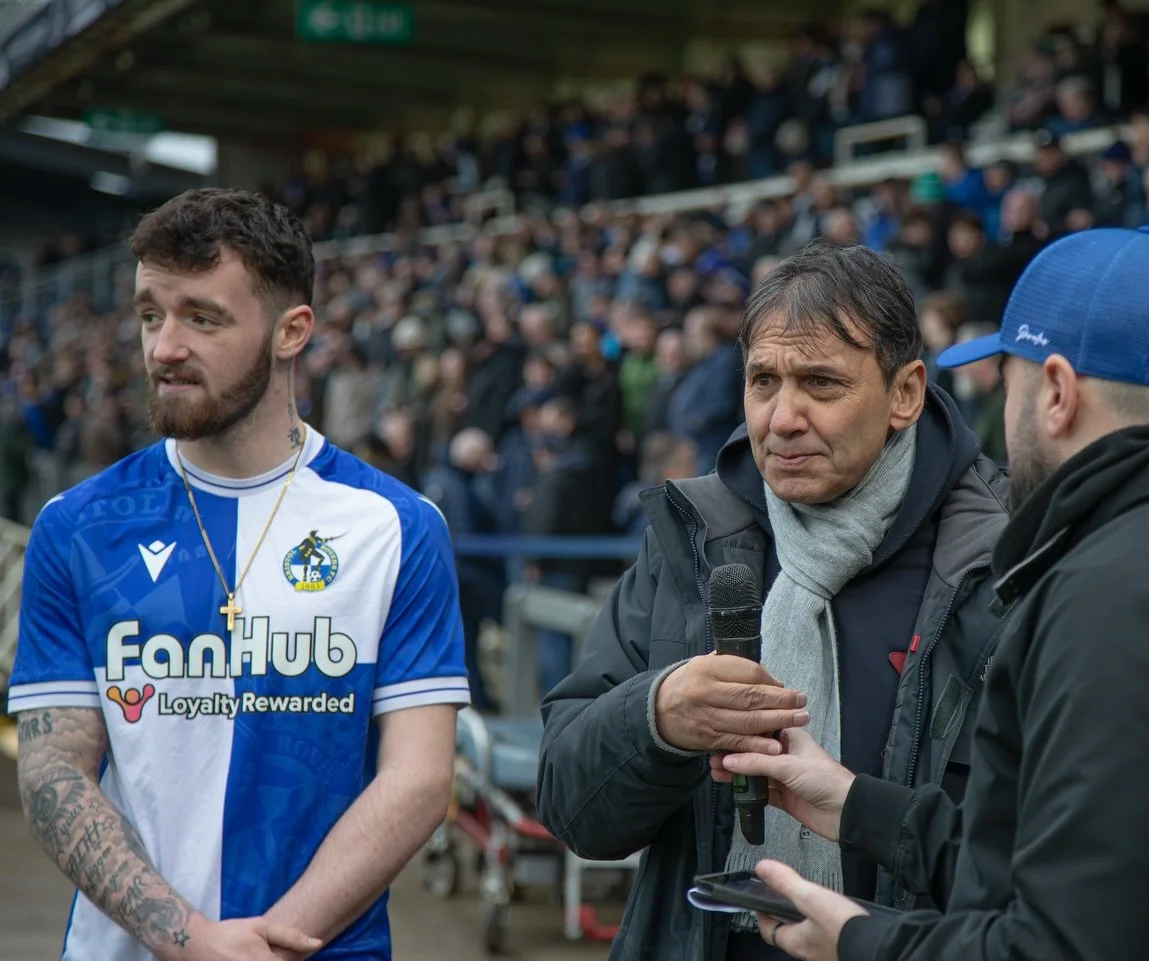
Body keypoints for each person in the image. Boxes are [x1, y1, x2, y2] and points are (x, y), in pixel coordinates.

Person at [716, 227, 1149, 961]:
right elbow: (1084, 865)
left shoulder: (1116, 598)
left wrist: (864, 941)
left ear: (1056, 392)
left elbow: (1063, 945)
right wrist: (857, 805)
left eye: (1009, 381)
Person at [7, 188, 469, 961]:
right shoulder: (78, 526)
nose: (164, 347)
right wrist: (188, 938)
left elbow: (418, 779)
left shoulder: (395, 525)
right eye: (151, 314)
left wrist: (266, 945)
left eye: (203, 317)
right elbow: (55, 772)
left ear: (292, 332)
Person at [536, 240, 1009, 961]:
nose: (782, 417)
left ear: (905, 393)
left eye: (820, 383)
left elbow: (1038, 862)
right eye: (763, 381)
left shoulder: (1001, 564)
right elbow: (573, 808)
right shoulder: (689, 540)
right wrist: (655, 717)